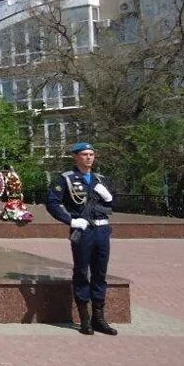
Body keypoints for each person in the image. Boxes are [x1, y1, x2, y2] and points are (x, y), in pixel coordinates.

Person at [46, 142, 117, 336]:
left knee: (100, 274)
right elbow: (52, 203)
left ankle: (99, 318)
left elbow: (113, 203)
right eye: (84, 154)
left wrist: (109, 198)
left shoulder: (100, 179)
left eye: (91, 154)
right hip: (83, 231)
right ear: (76, 157)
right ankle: (84, 319)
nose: (88, 158)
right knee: (81, 272)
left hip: (102, 231)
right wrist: (71, 220)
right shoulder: (66, 179)